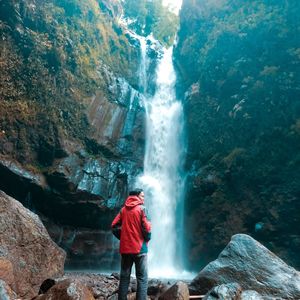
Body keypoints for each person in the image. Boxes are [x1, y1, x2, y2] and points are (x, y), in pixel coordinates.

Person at [111, 189, 151, 300]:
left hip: (125, 249)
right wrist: (147, 239)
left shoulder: (123, 210)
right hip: (140, 249)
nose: (143, 198)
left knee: (124, 277)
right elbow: (147, 228)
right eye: (142, 196)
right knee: (142, 278)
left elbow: (114, 226)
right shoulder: (142, 209)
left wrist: (123, 238)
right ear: (136, 196)